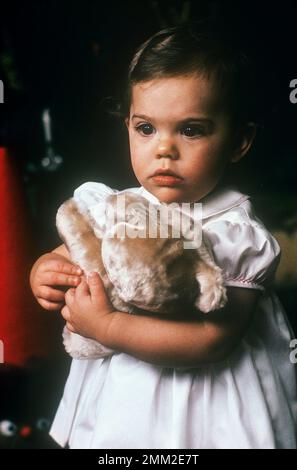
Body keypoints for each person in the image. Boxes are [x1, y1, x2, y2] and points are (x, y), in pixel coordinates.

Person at [30, 22, 297, 449]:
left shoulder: (233, 233)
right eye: (146, 128)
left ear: (238, 141)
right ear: (128, 128)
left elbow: (214, 341)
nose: (163, 149)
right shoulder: (118, 206)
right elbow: (72, 251)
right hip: (122, 395)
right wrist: (45, 270)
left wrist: (108, 326)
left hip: (207, 402)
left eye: (191, 130)